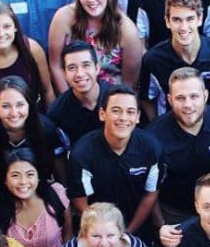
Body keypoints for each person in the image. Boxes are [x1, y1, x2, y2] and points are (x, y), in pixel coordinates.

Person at [67, 84, 161, 237]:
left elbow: (150, 194)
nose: (123, 118)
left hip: (137, 228)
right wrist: (105, 233)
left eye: (130, 112)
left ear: (137, 117)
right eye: (116, 111)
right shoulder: (82, 153)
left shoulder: (151, 148)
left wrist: (128, 232)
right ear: (102, 114)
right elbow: (80, 201)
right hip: (96, 230)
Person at [138, 0, 210, 120]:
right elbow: (147, 99)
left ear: (200, 19)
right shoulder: (152, 60)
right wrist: (158, 127)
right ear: (167, 21)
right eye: (177, 20)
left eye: (190, 19)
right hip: (171, 131)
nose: (183, 27)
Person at [147, 68, 210, 224]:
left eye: (194, 96)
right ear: (170, 100)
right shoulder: (153, 136)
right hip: (175, 213)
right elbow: (150, 190)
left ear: (205, 96)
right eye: (180, 98)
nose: (188, 104)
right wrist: (161, 227)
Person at [48, 0, 142, 91]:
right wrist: (67, 99)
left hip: (110, 97)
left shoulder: (126, 29)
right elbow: (56, 65)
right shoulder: (63, 18)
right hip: (73, 93)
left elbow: (129, 83)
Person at [0, 75, 69, 187]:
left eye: (20, 105)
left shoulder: (46, 129)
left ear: (29, 105)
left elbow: (58, 167)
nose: (14, 113)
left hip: (39, 186)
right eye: (6, 106)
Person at [47, 40, 111, 145]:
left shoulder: (119, 98)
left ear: (97, 68)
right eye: (72, 68)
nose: (80, 74)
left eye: (86, 65)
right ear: (64, 74)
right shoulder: (57, 112)